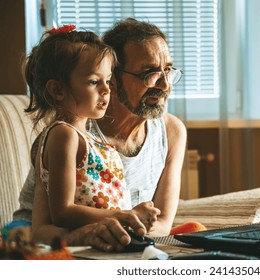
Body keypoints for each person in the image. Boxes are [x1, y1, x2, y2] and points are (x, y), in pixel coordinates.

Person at [13, 18, 187, 252]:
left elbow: (163, 223)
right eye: (149, 73)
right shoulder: (67, 133)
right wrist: (95, 232)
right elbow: (41, 226)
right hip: (42, 241)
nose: (165, 84)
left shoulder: (172, 132)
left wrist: (124, 234)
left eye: (167, 70)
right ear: (113, 78)